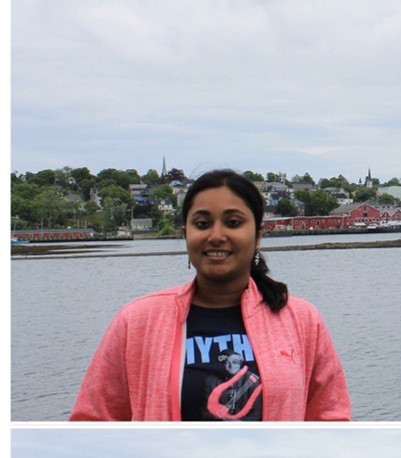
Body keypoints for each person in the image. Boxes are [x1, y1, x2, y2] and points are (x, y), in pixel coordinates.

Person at [70, 169, 350, 421]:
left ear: (259, 235)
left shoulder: (302, 321)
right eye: (202, 224)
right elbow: (91, 423)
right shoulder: (137, 322)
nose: (216, 235)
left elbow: (331, 422)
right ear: (185, 234)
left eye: (233, 222)